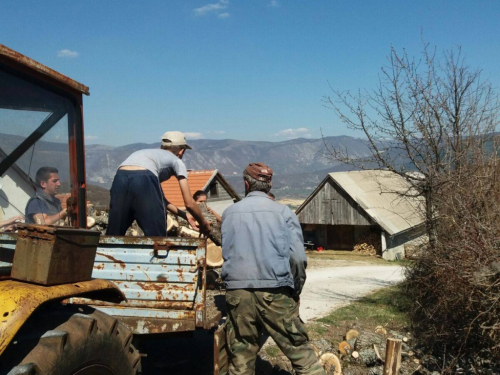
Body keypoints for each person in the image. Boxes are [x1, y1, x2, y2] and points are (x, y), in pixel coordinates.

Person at [221, 163, 325, 375]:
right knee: (302, 355)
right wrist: (295, 290)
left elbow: (227, 252)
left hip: (237, 294)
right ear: (270, 184)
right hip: (275, 291)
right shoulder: (284, 213)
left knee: (241, 358)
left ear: (246, 183)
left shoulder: (229, 213)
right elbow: (297, 258)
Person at [106, 131, 210, 237]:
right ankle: (159, 251)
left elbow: (160, 199)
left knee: (114, 232)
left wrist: (184, 215)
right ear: (181, 151)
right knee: (157, 235)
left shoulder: (148, 155)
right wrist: (203, 222)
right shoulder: (176, 161)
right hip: (144, 177)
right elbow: (189, 203)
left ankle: (105, 251)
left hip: (119, 177)